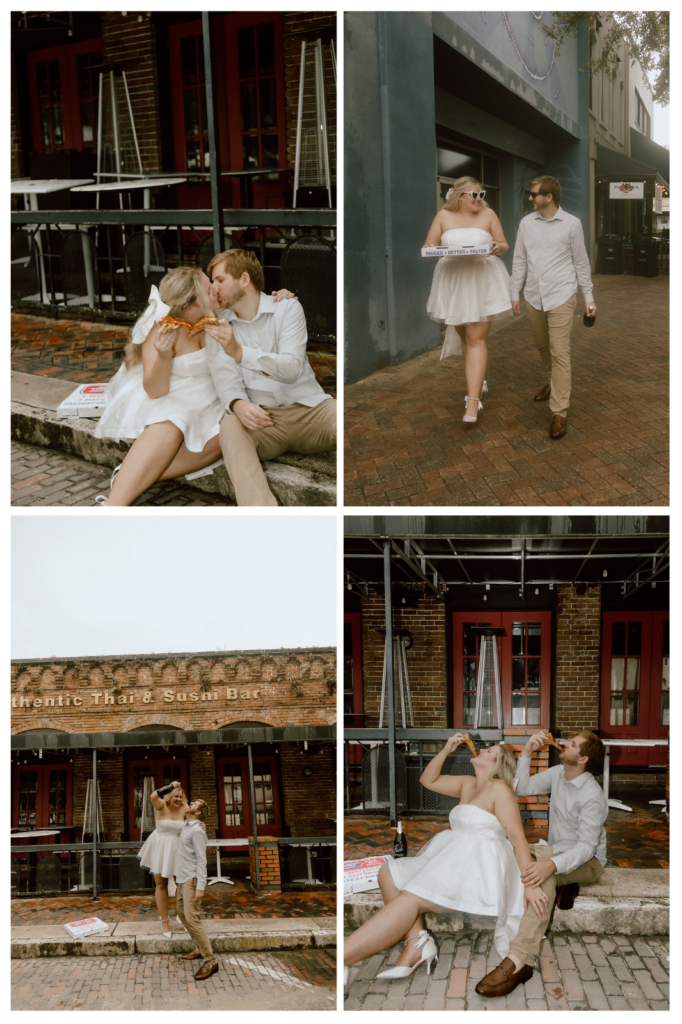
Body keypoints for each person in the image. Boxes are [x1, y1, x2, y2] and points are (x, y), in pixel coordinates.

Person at [343, 736, 549, 987]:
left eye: (489, 750)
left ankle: (344, 958)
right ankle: (417, 942)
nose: (482, 749)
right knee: (389, 872)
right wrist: (446, 749)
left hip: (477, 869)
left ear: (497, 763)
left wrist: (528, 884)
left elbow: (517, 837)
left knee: (410, 897)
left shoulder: (500, 789)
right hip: (450, 859)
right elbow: (427, 780)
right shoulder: (467, 783)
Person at [93, 267, 296, 506]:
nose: (217, 290)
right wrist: (164, 356)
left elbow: (253, 302)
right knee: (173, 421)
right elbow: (155, 390)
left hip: (213, 392)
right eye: (209, 289)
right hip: (171, 391)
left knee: (219, 441)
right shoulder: (160, 328)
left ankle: (128, 474)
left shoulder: (220, 310)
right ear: (190, 308)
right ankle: (113, 505)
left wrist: (281, 298)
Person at [476, 729, 607, 997]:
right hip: (552, 851)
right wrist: (526, 752)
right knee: (513, 848)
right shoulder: (559, 772)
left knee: (542, 875)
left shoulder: (593, 796)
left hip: (588, 861)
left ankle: (519, 959)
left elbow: (585, 848)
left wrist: (553, 866)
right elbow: (522, 788)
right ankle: (562, 887)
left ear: (582, 759)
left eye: (572, 744)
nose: (565, 744)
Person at [203, 249, 337, 506]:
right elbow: (226, 380)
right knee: (230, 426)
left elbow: (292, 368)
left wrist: (239, 352)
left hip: (310, 411)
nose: (214, 287)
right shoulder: (217, 326)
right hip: (264, 422)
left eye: (220, 280)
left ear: (244, 279)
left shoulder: (287, 307)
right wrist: (238, 405)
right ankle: (263, 517)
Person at [510, 175, 596, 440]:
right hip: (534, 296)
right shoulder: (526, 223)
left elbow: (581, 262)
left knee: (560, 352)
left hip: (561, 295)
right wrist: (515, 291)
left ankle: (559, 411)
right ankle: (552, 382)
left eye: (533, 194)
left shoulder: (572, 224)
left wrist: (588, 297)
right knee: (542, 345)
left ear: (548, 197)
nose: (530, 198)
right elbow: (519, 259)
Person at [424, 176, 512, 423]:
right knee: (465, 337)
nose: (479, 199)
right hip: (454, 281)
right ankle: (477, 378)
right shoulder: (443, 216)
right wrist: (431, 249)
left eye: (481, 194)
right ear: (459, 196)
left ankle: (472, 402)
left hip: (483, 280)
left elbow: (504, 244)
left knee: (475, 338)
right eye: (475, 195)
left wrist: (498, 247)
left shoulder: (489, 214)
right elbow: (429, 243)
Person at [137, 780, 205, 938]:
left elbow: (193, 821)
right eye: (176, 796)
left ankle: (183, 917)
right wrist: (171, 786)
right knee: (161, 884)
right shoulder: (161, 805)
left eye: (181, 797)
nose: (179, 799)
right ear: (169, 796)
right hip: (160, 847)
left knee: (181, 884)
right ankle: (164, 922)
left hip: (179, 849)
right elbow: (153, 796)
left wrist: (202, 825)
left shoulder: (185, 808)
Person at [175, 797, 219, 980]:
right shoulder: (187, 825)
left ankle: (211, 961)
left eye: (193, 804)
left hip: (192, 880)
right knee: (182, 914)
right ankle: (200, 949)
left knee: (192, 919)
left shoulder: (197, 831)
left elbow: (202, 859)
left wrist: (201, 885)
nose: (189, 803)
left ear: (198, 812)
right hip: (182, 878)